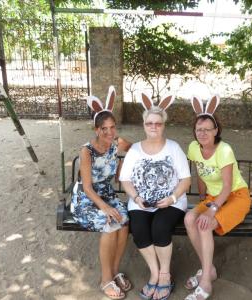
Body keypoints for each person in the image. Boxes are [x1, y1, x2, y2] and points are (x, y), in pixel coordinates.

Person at [119, 93, 191, 300]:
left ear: (163, 126)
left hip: (172, 201)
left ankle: (165, 276)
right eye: (149, 123)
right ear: (144, 125)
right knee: (140, 230)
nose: (153, 126)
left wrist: (172, 199)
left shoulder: (174, 148)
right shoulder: (134, 150)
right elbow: (125, 180)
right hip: (141, 202)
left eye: (158, 123)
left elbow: (185, 181)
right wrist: (135, 197)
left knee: (159, 228)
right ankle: (154, 273)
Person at [184, 96, 251, 300]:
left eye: (207, 129)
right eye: (198, 129)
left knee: (205, 224)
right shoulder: (194, 148)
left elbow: (228, 186)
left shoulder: (224, 150)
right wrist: (203, 196)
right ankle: (209, 269)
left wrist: (211, 209)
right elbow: (199, 171)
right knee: (189, 219)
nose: (202, 133)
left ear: (216, 131)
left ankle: (206, 281)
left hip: (236, 196)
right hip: (214, 196)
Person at [71, 86, 132, 300]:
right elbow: (87, 187)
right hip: (87, 200)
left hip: (107, 195)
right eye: (104, 129)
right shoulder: (86, 151)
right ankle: (105, 279)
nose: (109, 133)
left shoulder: (116, 144)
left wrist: (124, 162)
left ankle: (114, 272)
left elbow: (135, 149)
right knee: (110, 224)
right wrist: (105, 208)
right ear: (96, 130)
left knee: (124, 221)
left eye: (112, 127)